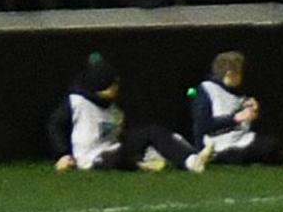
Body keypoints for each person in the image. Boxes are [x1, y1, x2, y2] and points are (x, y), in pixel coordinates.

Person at [51, 53, 207, 172]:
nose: (116, 88)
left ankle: (190, 160)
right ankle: (142, 164)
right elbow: (55, 125)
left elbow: (122, 133)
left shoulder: (114, 107)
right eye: (113, 85)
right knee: (113, 160)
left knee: (152, 132)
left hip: (114, 147)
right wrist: (63, 154)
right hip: (92, 158)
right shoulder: (77, 102)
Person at [188, 50, 283, 164]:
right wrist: (235, 118)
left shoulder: (240, 92)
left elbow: (250, 123)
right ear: (230, 74)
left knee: (271, 145)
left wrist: (254, 111)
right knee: (240, 154)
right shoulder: (207, 90)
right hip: (217, 144)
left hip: (241, 139)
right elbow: (202, 125)